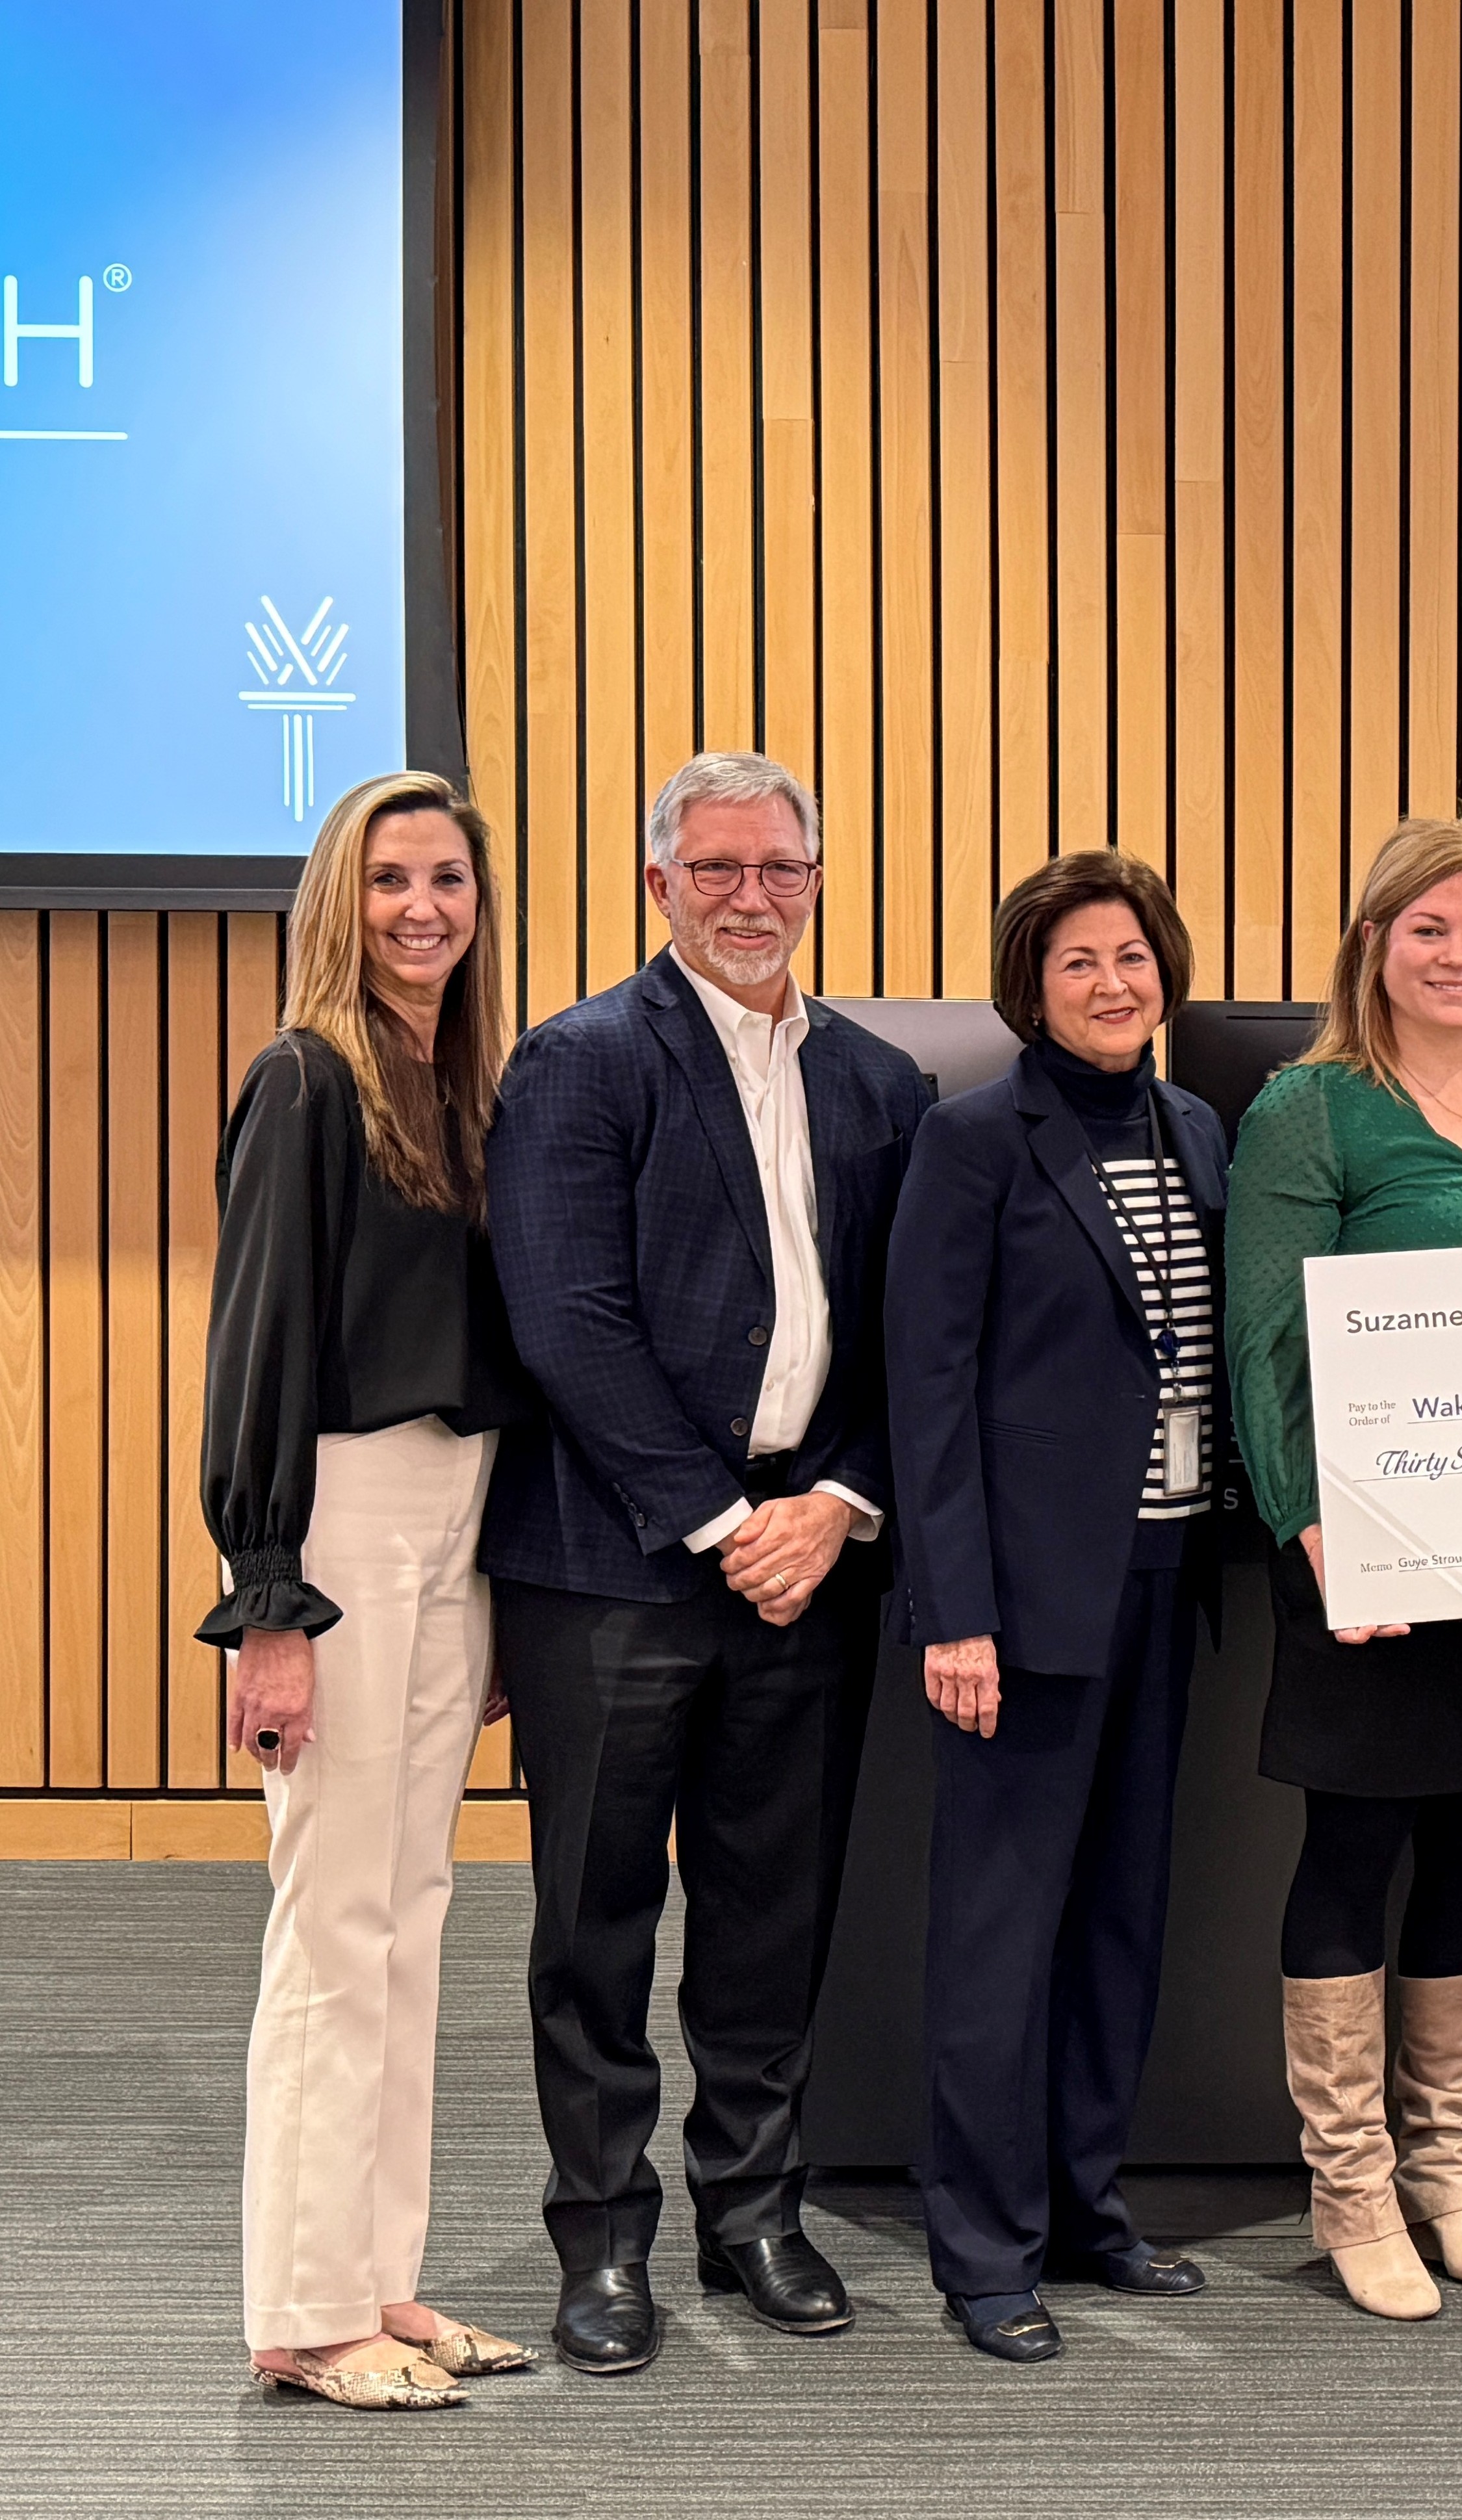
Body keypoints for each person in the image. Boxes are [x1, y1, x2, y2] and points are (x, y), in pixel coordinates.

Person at [481, 751, 933, 2376]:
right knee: (595, 1923)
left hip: (811, 1558)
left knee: (770, 1911)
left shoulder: (881, 1084)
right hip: (615, 1566)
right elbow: (567, 1322)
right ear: (659, 884)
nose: (754, 897)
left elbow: (914, 1340)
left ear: (817, 879)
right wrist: (725, 1518)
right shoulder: (580, 1063)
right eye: (720, 869)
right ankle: (601, 2241)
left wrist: (839, 1502)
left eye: (782, 869)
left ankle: (753, 2210)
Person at [1228, 816, 1462, 2321]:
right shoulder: (1310, 1110)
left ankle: (1450, 2168)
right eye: (1428, 928)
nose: (1459, 955)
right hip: (1361, 1544)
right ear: (1373, 942)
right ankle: (1351, 2187)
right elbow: (1264, 1338)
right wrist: (1311, 1529)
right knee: (1352, 1852)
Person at [205, 771, 530, 2411]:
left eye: (450, 882)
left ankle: (378, 2281)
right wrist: (270, 1600)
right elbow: (256, 1344)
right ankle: (302, 2307)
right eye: (393, 879)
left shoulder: (451, 1081)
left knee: (411, 1920)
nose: (425, 908)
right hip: (335, 1517)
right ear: (343, 897)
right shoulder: (306, 1079)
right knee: (333, 1924)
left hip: (449, 1516)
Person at [884, 850, 1233, 2363]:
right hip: (1022, 1610)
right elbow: (929, 1389)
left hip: (1167, 1578)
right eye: (1080, 962)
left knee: (1119, 1919)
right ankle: (983, 2245)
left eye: (1135, 958)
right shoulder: (972, 1143)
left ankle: (1089, 2206)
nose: (1114, 984)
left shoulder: (1200, 1128)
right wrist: (952, 1610)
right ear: (1031, 985)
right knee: (998, 1934)